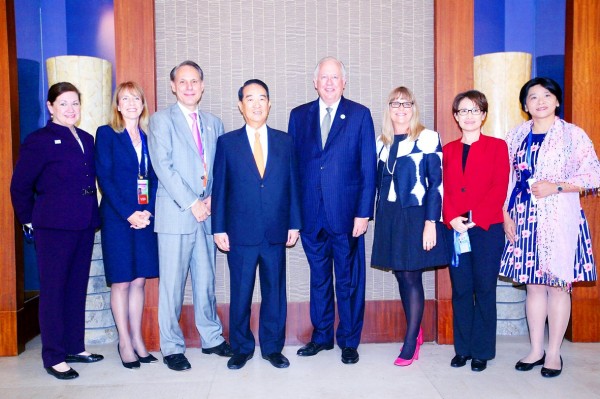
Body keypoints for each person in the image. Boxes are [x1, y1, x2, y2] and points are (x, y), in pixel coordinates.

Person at [499, 77, 600, 378]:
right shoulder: (515, 136)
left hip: (559, 217)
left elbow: (594, 175)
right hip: (524, 218)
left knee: (558, 286)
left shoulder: (573, 136)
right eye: (532, 97)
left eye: (547, 95)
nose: (540, 101)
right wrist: (505, 214)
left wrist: (555, 186)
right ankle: (535, 349)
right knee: (533, 287)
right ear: (525, 105)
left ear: (557, 101)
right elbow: (507, 179)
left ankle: (553, 353)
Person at [10, 82, 103, 380]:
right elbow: (20, 185)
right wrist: (28, 220)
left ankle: (75, 345)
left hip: (85, 222)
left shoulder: (87, 138)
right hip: (53, 227)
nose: (70, 109)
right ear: (50, 107)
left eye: (75, 103)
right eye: (63, 103)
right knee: (53, 291)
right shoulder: (39, 140)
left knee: (76, 288)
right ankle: (53, 355)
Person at [288, 56, 377, 364]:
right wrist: (294, 216)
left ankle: (349, 340)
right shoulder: (298, 116)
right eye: (323, 77)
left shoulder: (360, 115)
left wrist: (364, 213)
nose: (329, 82)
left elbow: (368, 168)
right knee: (319, 279)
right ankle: (322, 336)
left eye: (334, 77)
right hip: (312, 216)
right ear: (315, 82)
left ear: (344, 82)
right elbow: (292, 170)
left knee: (349, 280)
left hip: (347, 216)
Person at [148, 60, 232, 372]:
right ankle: (171, 346)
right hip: (176, 214)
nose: (189, 86)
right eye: (182, 81)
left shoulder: (213, 122)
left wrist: (210, 199)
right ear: (173, 86)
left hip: (207, 214)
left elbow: (220, 167)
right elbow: (163, 167)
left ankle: (211, 338)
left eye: (194, 81)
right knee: (171, 284)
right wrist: (192, 202)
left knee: (206, 279)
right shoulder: (160, 121)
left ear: (202, 85)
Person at [212, 79, 301, 370]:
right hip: (239, 233)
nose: (256, 104)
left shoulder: (285, 141)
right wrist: (219, 227)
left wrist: (294, 223)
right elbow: (221, 188)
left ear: (269, 103)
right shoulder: (227, 143)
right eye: (250, 99)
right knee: (241, 292)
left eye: (262, 98)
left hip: (276, 230)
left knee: (274, 292)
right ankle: (241, 347)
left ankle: (273, 348)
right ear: (241, 106)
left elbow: (293, 185)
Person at [371, 86, 448, 366]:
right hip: (390, 215)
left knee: (412, 275)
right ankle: (415, 330)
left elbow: (436, 184)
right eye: (395, 103)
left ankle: (411, 340)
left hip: (416, 216)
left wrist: (431, 223)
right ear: (388, 109)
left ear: (413, 108)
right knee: (401, 275)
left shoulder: (428, 138)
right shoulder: (381, 141)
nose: (401, 109)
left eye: (406, 104)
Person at [442, 90, 509, 372]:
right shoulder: (447, 150)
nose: (468, 116)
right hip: (456, 229)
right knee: (461, 289)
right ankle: (463, 349)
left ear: (483, 114)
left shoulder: (497, 146)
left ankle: (482, 351)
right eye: (463, 111)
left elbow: (499, 187)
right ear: (456, 117)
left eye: (474, 110)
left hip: (486, 229)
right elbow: (440, 189)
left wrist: (474, 217)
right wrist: (450, 219)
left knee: (484, 289)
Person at [95, 81, 159, 369]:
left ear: (142, 104)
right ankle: (124, 342)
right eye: (125, 99)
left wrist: (146, 212)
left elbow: (153, 180)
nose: (131, 103)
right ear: (118, 106)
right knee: (121, 281)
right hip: (118, 219)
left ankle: (138, 339)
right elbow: (105, 179)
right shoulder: (107, 134)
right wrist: (129, 213)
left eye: (136, 98)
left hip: (144, 218)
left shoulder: (149, 137)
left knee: (139, 280)